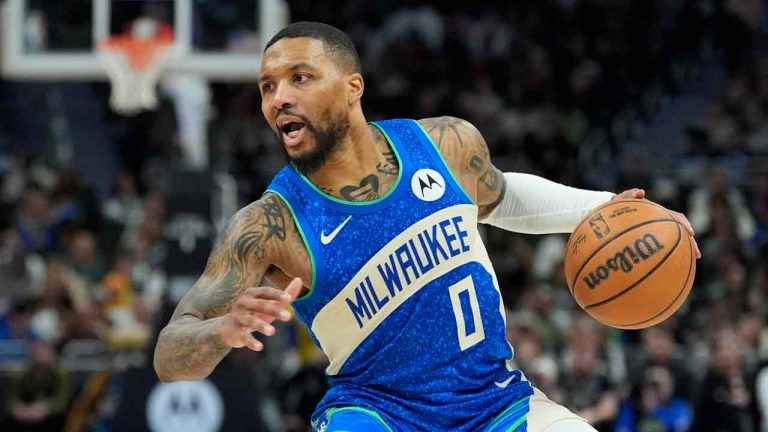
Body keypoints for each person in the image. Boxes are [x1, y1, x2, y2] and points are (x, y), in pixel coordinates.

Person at [153, 22, 700, 432]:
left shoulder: (443, 144)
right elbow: (170, 353)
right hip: (378, 413)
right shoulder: (269, 224)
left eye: (300, 78)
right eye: (268, 87)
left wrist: (608, 207)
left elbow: (503, 196)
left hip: (496, 402)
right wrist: (217, 332)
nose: (281, 98)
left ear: (352, 87)